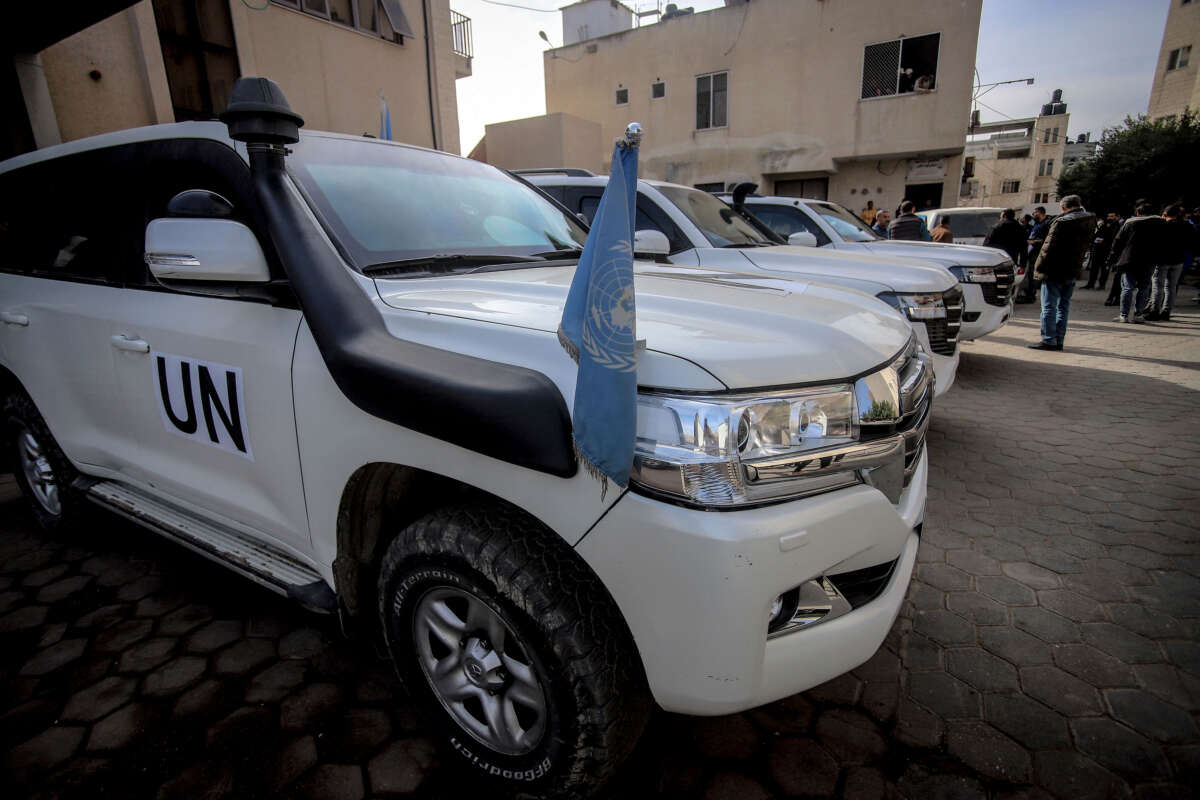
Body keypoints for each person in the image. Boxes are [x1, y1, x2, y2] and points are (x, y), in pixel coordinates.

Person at [1028, 195, 1096, 351]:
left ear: (1064, 207)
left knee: (1049, 306)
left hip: (1055, 269)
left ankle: (1049, 339)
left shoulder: (1062, 222)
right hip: (1072, 268)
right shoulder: (1089, 220)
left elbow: (1048, 247)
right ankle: (1058, 339)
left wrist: (1038, 268)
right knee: (1063, 306)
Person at [1107, 200, 1165, 323]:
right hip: (1150, 260)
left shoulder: (1130, 222)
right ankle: (1139, 314)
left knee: (1127, 287)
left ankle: (1124, 315)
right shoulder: (1160, 222)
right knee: (1144, 287)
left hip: (1129, 260)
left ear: (1138, 212)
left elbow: (1117, 242)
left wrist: (1112, 259)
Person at [1145, 204, 1198, 320]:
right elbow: (1194, 242)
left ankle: (1154, 311)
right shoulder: (1187, 226)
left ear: (1164, 214)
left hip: (1162, 260)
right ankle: (1166, 311)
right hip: (1179, 260)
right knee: (1171, 287)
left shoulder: (1161, 225)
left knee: (1157, 286)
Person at [1018, 207, 1052, 302]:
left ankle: (1031, 295)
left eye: (1035, 212)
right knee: (1030, 274)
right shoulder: (1037, 223)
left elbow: (1046, 239)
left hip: (1038, 251)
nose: (1033, 214)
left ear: (1040, 212)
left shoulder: (1046, 224)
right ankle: (1028, 293)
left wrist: (1034, 242)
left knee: (1034, 274)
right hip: (1031, 251)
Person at [1084, 211, 1120, 290]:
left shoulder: (1117, 226)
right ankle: (1090, 283)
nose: (1109, 218)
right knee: (1094, 267)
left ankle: (1102, 285)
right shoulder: (1103, 225)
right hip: (1098, 249)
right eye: (1109, 216)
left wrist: (1103, 241)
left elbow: (1113, 238)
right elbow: (1097, 234)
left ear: (1117, 217)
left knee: (1104, 268)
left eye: (1112, 216)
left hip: (1107, 250)